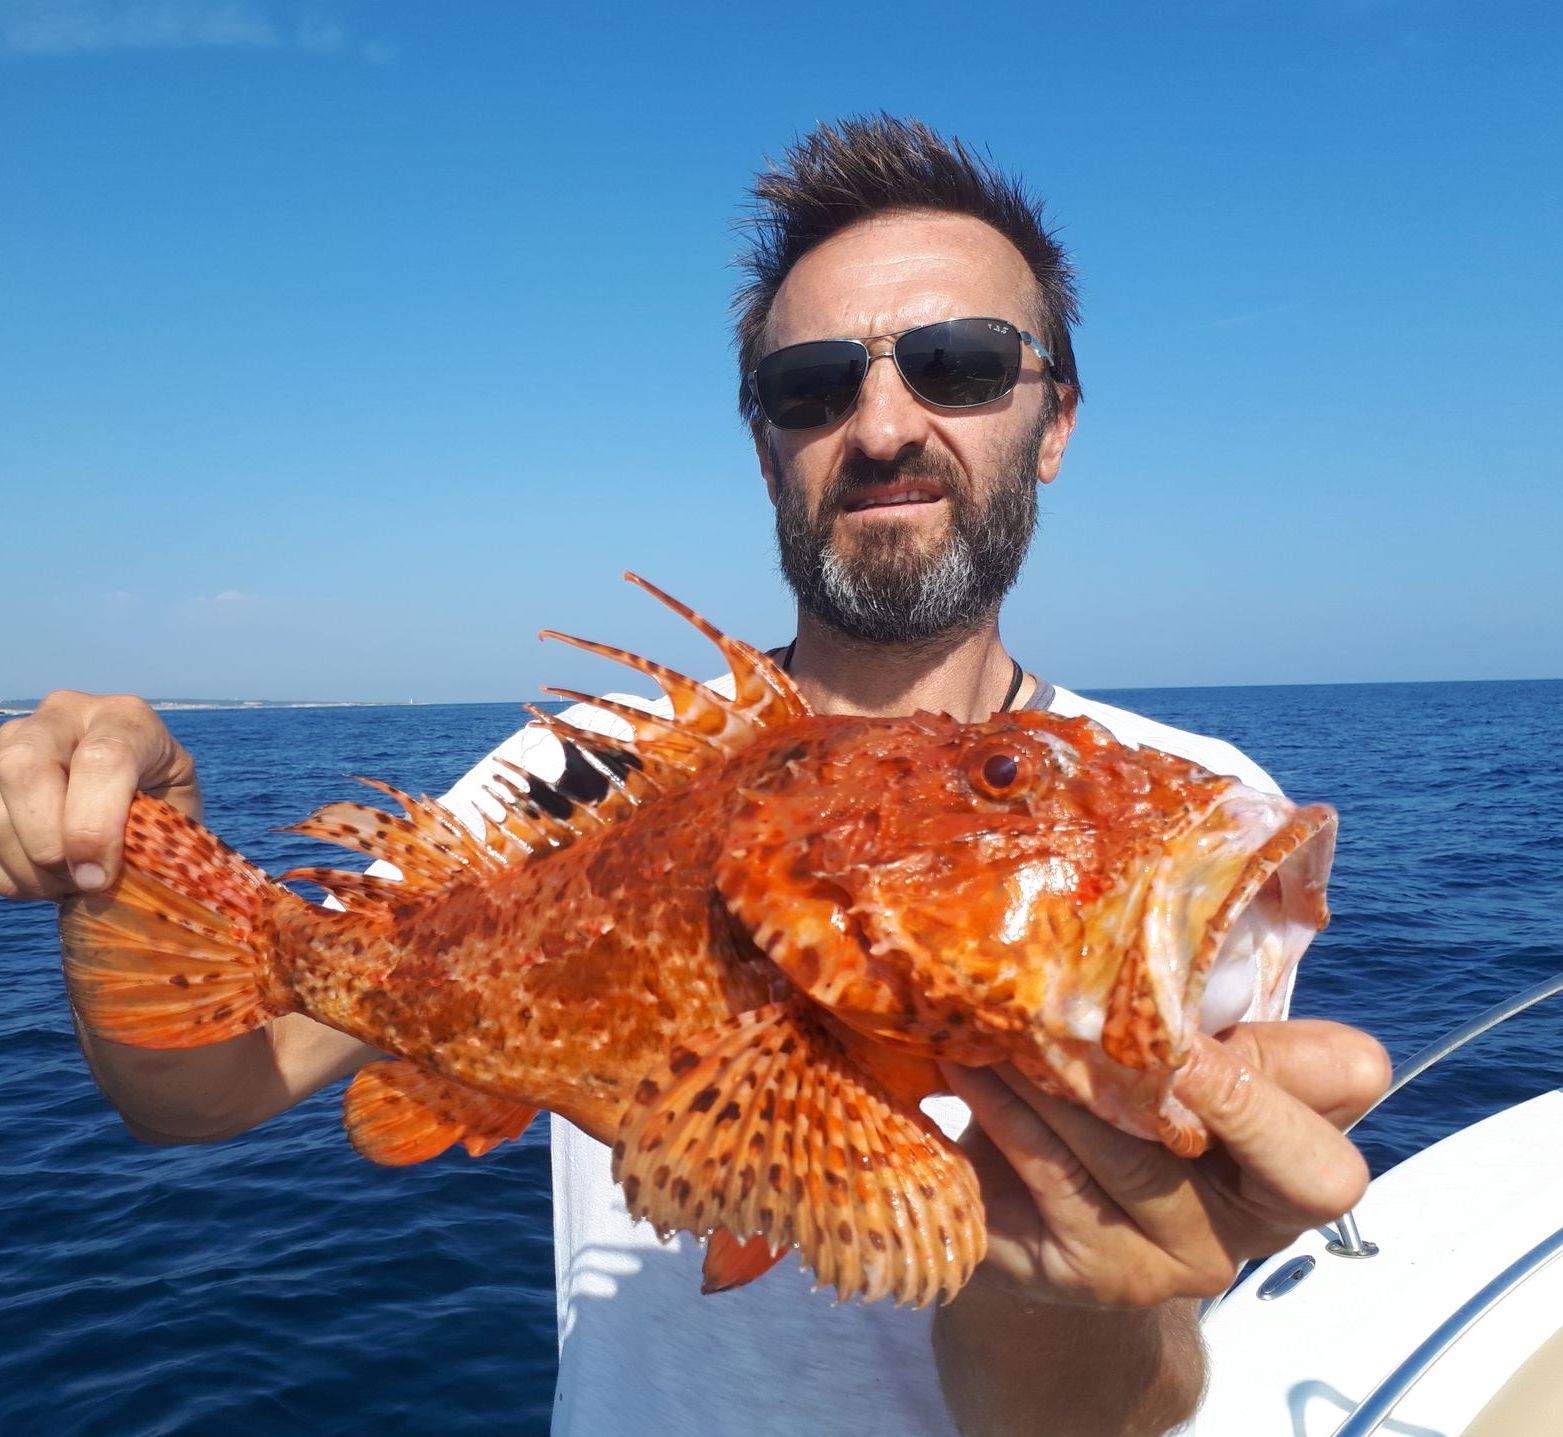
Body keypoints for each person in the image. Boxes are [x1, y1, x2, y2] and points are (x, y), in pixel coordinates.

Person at [0, 116, 1388, 1436]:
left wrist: (1072, 1287)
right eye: (815, 383)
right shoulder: (578, 771)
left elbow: (1100, 1412)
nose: (886, 423)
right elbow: (197, 1092)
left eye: (960, 362)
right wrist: (122, 859)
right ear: (765, 439)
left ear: (1057, 417)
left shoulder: (1186, 802)